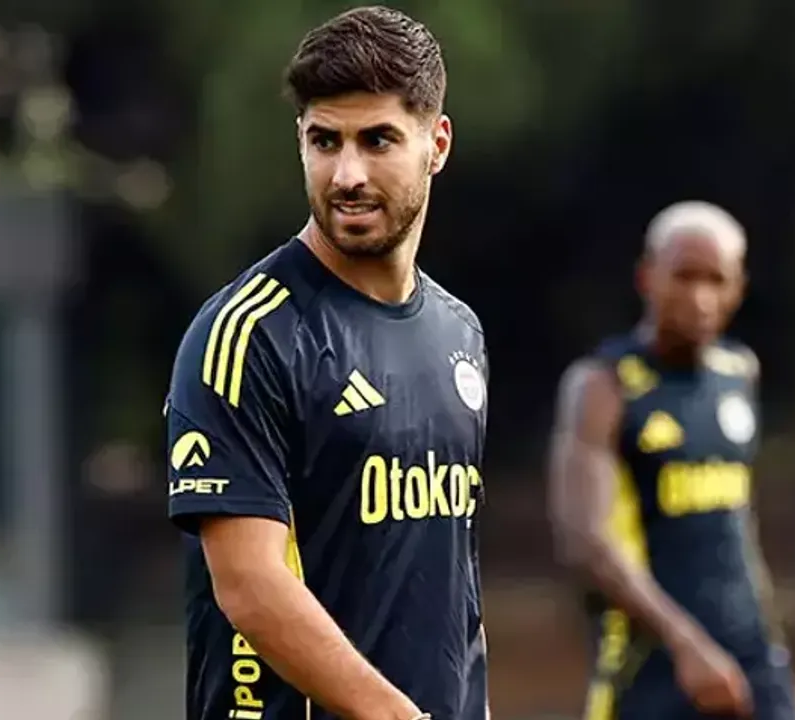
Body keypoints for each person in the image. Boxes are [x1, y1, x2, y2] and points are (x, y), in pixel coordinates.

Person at [163, 7, 489, 720]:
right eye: (325, 140)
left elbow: (453, 583)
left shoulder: (459, 333)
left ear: (436, 144)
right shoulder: (248, 335)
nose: (347, 174)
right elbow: (249, 585)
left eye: (378, 140)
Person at [547, 201, 795, 720]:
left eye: (716, 280)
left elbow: (736, 524)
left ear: (738, 288)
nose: (700, 298)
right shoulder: (606, 386)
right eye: (684, 277)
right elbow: (586, 542)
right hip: (652, 660)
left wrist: (769, 646)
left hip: (747, 656)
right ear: (647, 277)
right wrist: (686, 644)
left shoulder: (738, 373)